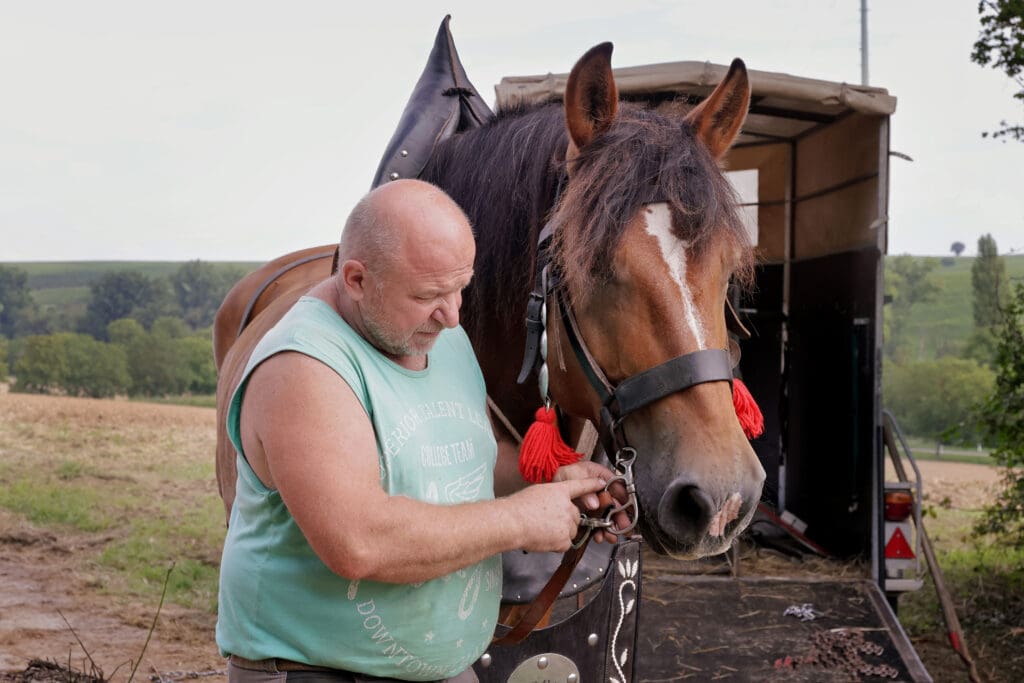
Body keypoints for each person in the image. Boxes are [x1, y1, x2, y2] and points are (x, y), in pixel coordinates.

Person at [216, 179, 620, 683]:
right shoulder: (303, 368)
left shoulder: (437, 335)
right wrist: (520, 521)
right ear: (357, 280)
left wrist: (555, 485)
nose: (452, 315)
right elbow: (357, 541)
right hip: (316, 671)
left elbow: (459, 454)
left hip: (441, 670)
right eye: (428, 294)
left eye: (460, 288)